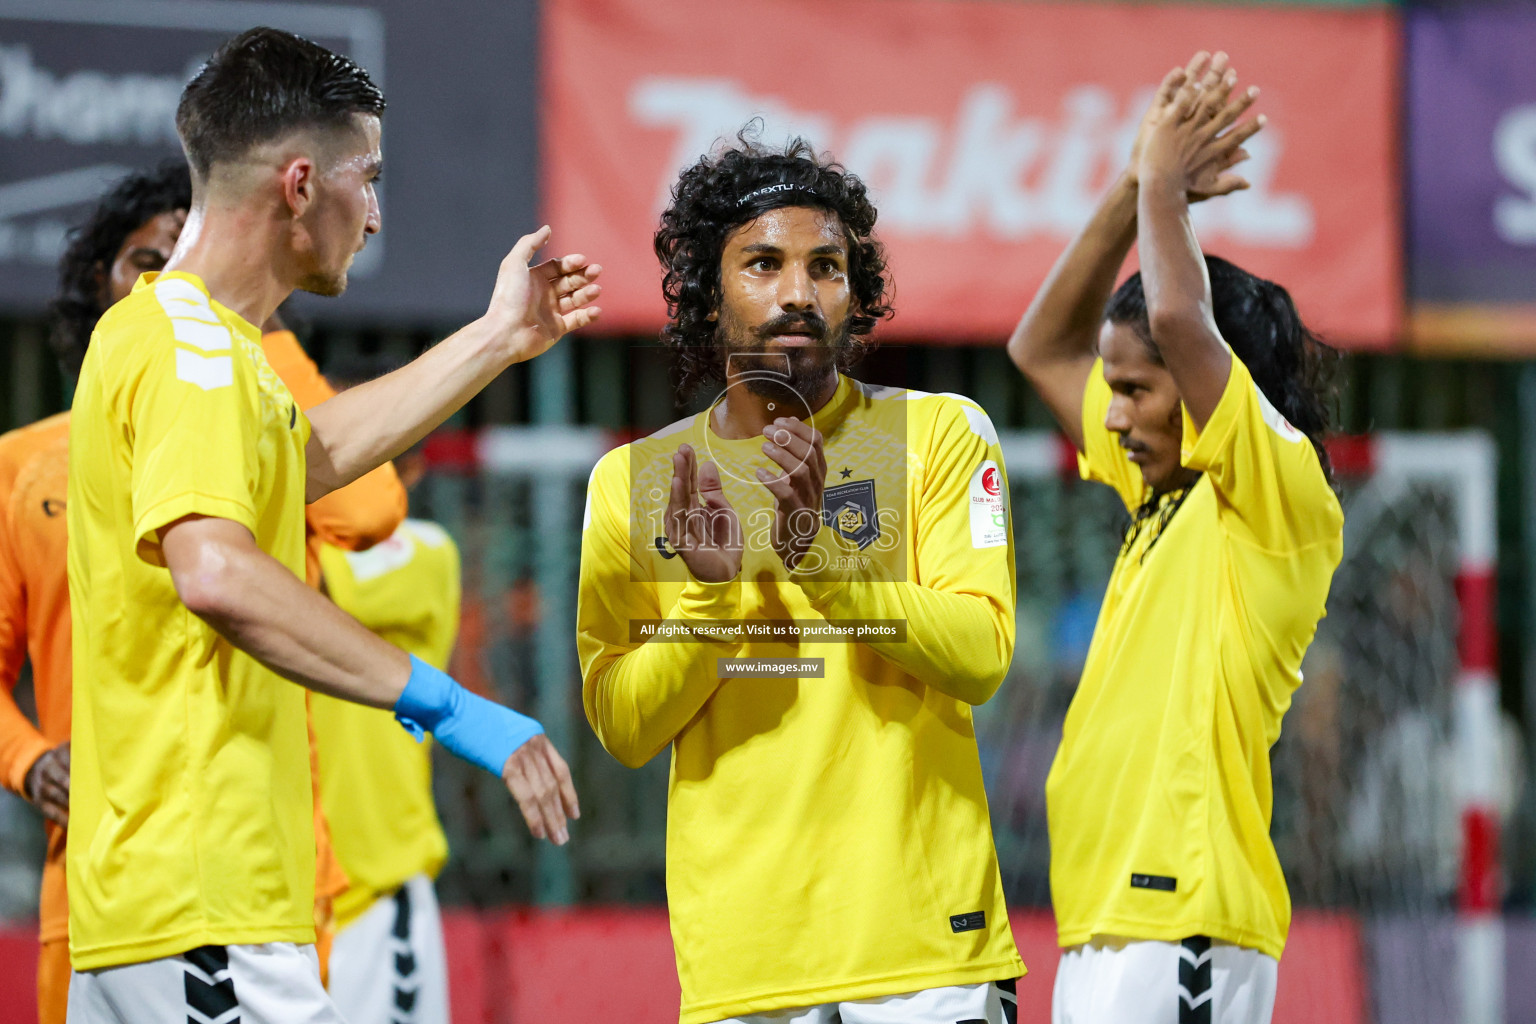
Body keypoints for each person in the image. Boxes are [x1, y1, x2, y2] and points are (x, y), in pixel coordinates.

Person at [64, 27, 597, 1023]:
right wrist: (448, 705)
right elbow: (216, 571)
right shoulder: (197, 355)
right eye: (372, 180)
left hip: (159, 900)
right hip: (204, 895)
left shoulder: (178, 340)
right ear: (301, 184)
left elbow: (304, 460)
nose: (381, 216)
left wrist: (493, 341)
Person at [578, 135, 1022, 1024]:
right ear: (707, 294)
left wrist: (825, 565)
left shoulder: (940, 435)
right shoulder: (636, 481)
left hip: (924, 954)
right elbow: (624, 727)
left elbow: (982, 656)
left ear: (855, 293)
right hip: (745, 965)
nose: (797, 292)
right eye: (764, 263)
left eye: (826, 266)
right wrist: (707, 606)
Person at [0, 158, 405, 1024]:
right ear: (95, 285)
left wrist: (252, 327)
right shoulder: (23, 466)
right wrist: (26, 758)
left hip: (262, 873)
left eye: (189, 257)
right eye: (147, 264)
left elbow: (372, 512)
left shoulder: (250, 414)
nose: (173, 282)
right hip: (110, 876)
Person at [1007, 52, 1344, 1024]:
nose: (1110, 416)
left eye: (1134, 390)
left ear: (1202, 387)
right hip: (1108, 918)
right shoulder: (1165, 491)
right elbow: (1040, 346)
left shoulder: (1276, 493)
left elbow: (1175, 315)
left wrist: (1163, 177)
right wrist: (1126, 188)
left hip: (1186, 918)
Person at [310, 426, 460, 1024]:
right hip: (280, 893)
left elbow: (304, 586)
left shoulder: (425, 550)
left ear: (413, 473)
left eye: (365, 460)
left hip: (372, 887)